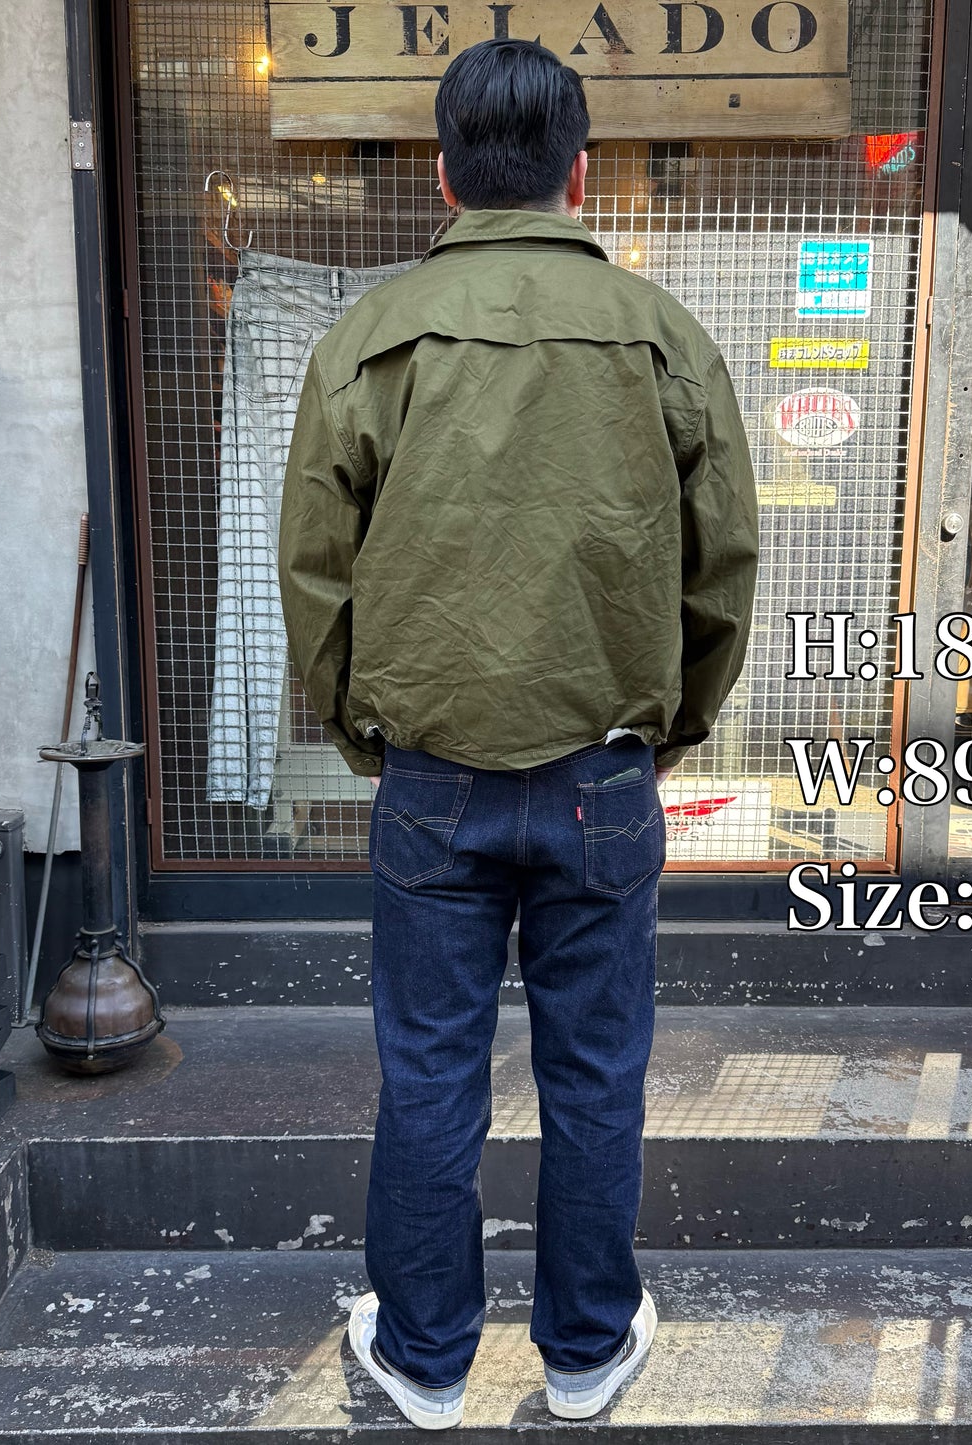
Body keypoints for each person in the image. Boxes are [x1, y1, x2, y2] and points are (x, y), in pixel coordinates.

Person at [278, 38, 758, 1430]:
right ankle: (586, 1350)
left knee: (428, 1071)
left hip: (431, 773)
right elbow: (720, 564)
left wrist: (364, 731)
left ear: (445, 176)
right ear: (578, 174)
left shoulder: (368, 337)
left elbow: (315, 570)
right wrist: (672, 727)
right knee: (595, 1073)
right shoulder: (660, 336)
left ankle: (425, 1358)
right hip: (603, 765)